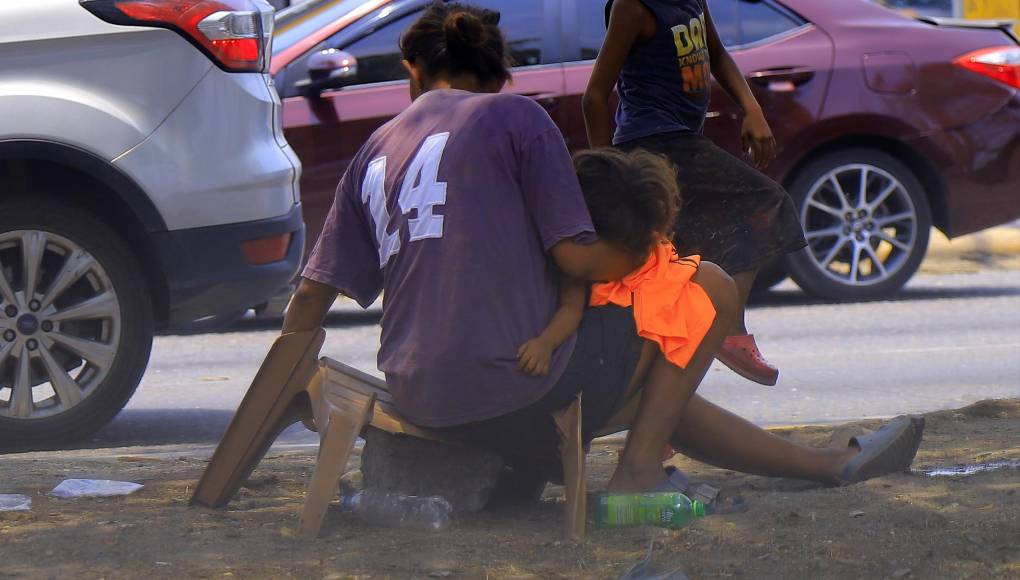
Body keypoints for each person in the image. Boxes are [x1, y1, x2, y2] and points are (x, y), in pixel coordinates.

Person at [283, 1, 924, 496]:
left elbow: (311, 295)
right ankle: (640, 473)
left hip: (422, 393)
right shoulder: (516, 118)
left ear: (413, 72)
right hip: (513, 395)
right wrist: (651, 250)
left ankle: (826, 467)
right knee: (707, 290)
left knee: (654, 387)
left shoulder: (377, 146)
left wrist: (288, 389)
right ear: (501, 73)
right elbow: (579, 260)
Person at [583, 0, 809, 387]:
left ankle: (657, 410)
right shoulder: (633, 7)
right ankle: (727, 328)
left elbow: (717, 54)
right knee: (765, 202)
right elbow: (594, 98)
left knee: (669, 273)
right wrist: (609, 175)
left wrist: (751, 108)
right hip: (653, 144)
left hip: (681, 140)